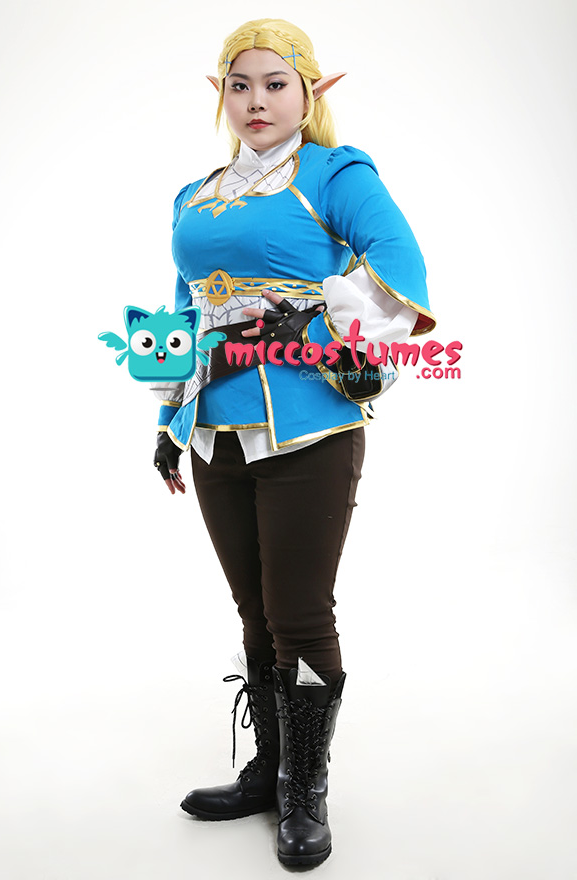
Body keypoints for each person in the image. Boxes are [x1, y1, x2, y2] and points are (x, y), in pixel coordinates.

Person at [152, 18, 435, 867]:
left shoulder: (335, 174)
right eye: (240, 85)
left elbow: (401, 265)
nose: (257, 101)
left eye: (275, 83)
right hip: (215, 429)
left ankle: (305, 788)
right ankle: (268, 771)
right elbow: (183, 306)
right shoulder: (195, 195)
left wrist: (318, 322)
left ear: (310, 91)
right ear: (222, 95)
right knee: (253, 610)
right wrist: (167, 419)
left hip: (308, 424)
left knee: (299, 612)